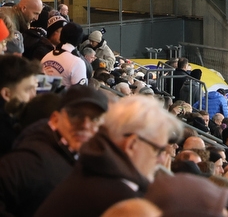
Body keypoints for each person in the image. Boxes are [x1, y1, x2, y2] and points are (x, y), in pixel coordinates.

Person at [34, 95, 182, 217]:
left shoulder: (92, 172)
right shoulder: (122, 202)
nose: (162, 159)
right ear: (132, 144)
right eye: (158, 150)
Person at [0, 84, 109, 217]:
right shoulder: (33, 160)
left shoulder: (80, 156)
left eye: (94, 119)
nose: (85, 125)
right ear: (55, 119)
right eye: (75, 115)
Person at [0, 55, 40, 155]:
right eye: (28, 90)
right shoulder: (9, 139)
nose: (33, 96)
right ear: (6, 94)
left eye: (34, 88)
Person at [40, 22, 88, 87]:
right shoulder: (77, 62)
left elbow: (39, 88)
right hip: (65, 97)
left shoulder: (46, 57)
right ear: (79, 40)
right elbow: (80, 94)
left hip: (44, 96)